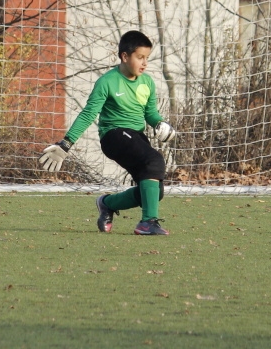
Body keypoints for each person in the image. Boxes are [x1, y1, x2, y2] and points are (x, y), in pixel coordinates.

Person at [39, 30, 175, 235]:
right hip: (114, 136)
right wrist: (66, 143)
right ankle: (148, 223)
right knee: (155, 161)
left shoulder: (147, 82)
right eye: (140, 57)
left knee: (155, 193)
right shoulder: (107, 82)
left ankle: (107, 203)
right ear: (125, 56)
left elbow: (150, 113)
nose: (145, 63)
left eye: (147, 58)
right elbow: (88, 114)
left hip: (136, 137)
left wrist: (160, 123)